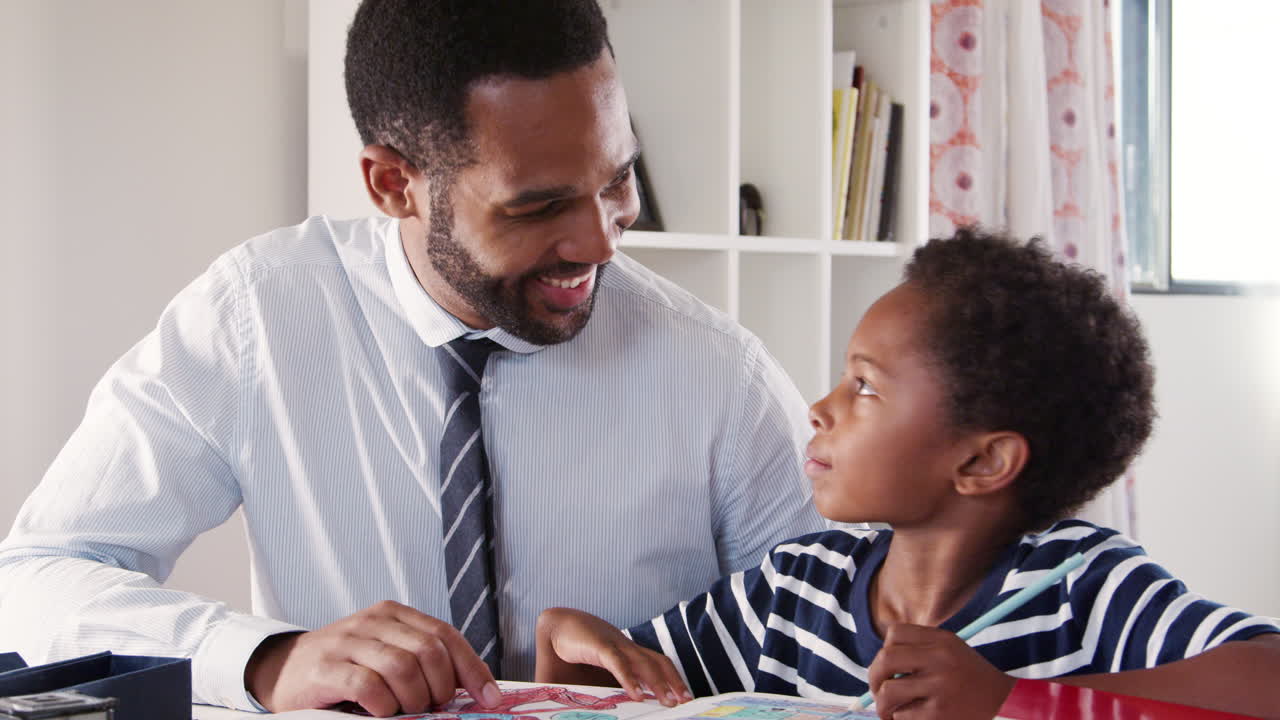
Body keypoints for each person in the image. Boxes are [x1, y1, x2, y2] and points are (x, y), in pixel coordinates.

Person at [0, 1, 824, 716]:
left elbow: (844, 634)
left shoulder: (720, 372)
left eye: (617, 180)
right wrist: (269, 659)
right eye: (539, 205)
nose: (600, 240)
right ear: (393, 184)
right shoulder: (255, 317)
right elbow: (37, 578)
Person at [535, 228, 1280, 719]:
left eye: (864, 387)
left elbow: (1267, 677)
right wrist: (575, 651)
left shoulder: (1080, 587)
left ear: (982, 461)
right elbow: (630, 694)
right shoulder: (795, 589)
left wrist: (1008, 704)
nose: (820, 410)